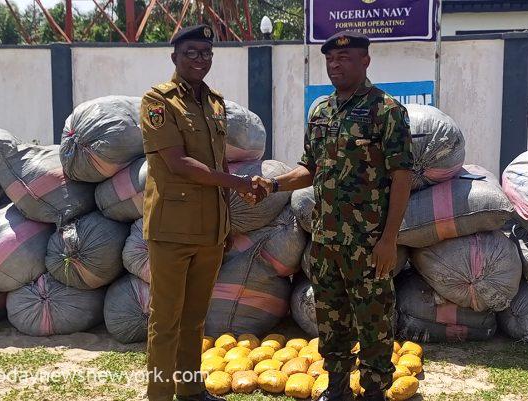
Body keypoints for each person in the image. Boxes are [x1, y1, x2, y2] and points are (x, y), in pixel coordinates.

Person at [250, 31, 414, 401]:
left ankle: (373, 390)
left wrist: (389, 239)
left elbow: (402, 175)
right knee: (332, 317)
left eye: (345, 58)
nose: (336, 65)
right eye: (330, 60)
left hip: (368, 242)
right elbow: (310, 168)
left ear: (365, 61)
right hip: (325, 241)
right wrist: (274, 186)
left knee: (373, 319)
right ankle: (337, 387)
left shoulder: (385, 111)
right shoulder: (321, 111)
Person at [139, 24, 264, 401]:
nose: (200, 59)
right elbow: (177, 163)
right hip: (172, 230)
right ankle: (160, 394)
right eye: (191, 52)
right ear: (174, 57)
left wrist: (224, 223)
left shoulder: (214, 103)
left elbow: (216, 158)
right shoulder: (157, 102)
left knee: (195, 319)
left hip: (210, 229)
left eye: (206, 53)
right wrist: (237, 183)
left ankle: (191, 391)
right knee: (166, 321)